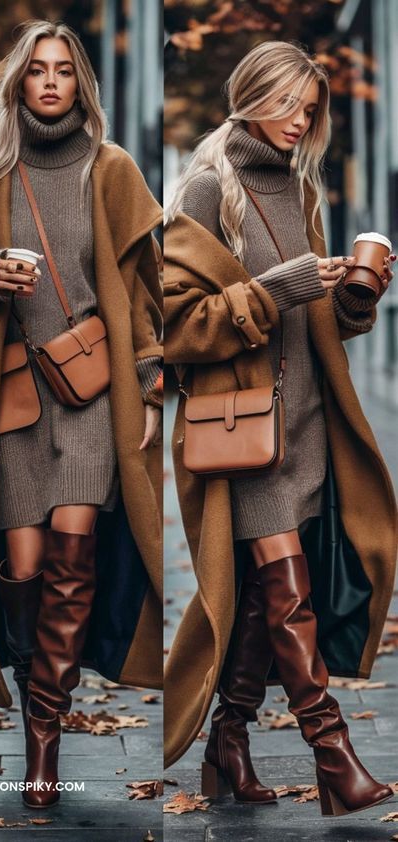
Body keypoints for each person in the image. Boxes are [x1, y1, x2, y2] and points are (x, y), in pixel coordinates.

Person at [0, 20, 163, 808]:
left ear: (79, 83)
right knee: (23, 570)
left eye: (64, 69)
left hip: (94, 400)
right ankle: (37, 699)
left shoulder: (113, 168)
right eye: (38, 71)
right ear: (18, 84)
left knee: (71, 561)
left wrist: (152, 387)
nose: (51, 82)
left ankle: (44, 744)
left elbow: (149, 292)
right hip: (13, 402)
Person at [163, 40, 396, 816]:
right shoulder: (203, 193)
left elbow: (318, 327)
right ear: (250, 95)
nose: (302, 119)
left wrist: (357, 301)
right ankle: (335, 760)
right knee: (288, 594)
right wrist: (273, 290)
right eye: (290, 103)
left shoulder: (303, 194)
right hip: (243, 434)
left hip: (306, 428)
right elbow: (177, 328)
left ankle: (228, 740)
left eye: (311, 107)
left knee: (271, 602)